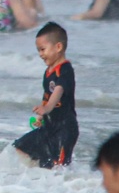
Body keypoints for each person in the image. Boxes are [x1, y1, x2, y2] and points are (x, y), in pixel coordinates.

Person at [14, 23, 80, 167]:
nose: (40, 54)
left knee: (59, 167)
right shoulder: (48, 72)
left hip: (65, 128)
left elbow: (59, 89)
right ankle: (37, 182)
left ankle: (67, 186)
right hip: (49, 127)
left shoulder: (65, 69)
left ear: (58, 47)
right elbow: (47, 95)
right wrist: (41, 116)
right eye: (38, 50)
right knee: (20, 147)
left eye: (43, 49)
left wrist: (47, 108)